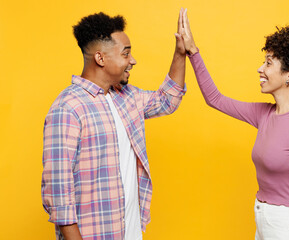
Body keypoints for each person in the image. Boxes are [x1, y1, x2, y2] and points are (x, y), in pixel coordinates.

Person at [178, 9, 289, 240]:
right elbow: (215, 99)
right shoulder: (264, 114)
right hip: (262, 220)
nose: (260, 68)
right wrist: (192, 51)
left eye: (269, 63)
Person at [41, 11, 187, 240]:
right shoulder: (68, 108)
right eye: (125, 54)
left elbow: (167, 100)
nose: (133, 60)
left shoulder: (126, 97)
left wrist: (180, 53)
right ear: (100, 58)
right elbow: (58, 191)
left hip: (129, 231)